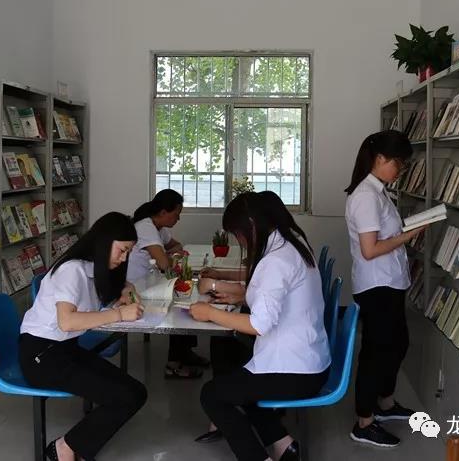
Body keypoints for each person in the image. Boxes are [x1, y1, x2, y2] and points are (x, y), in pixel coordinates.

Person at [191, 193, 330, 461]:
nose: (240, 241)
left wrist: (209, 312)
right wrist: (241, 298)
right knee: (237, 376)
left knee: (212, 395)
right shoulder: (292, 244)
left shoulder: (276, 260)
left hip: (295, 371)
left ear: (252, 225)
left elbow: (258, 324)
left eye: (238, 234)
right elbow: (278, 298)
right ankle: (283, 446)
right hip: (309, 361)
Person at [18, 212, 148, 461]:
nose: (124, 258)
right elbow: (67, 321)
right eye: (122, 250)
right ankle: (64, 449)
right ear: (104, 241)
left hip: (66, 349)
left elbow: (99, 300)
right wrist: (119, 313)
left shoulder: (94, 268)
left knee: (136, 391)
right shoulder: (72, 270)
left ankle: (71, 447)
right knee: (124, 397)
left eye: (128, 252)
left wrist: (125, 290)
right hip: (41, 356)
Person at [344, 130, 426, 448]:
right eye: (398, 163)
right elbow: (370, 250)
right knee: (376, 354)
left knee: (397, 344)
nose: (400, 170)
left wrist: (405, 230)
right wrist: (409, 235)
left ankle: (385, 404)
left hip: (389, 282)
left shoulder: (378, 192)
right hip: (377, 285)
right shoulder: (366, 196)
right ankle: (364, 421)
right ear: (380, 159)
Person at [127, 189, 209, 379]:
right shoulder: (145, 227)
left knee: (186, 298)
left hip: (149, 280)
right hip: (134, 287)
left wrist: (169, 255)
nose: (178, 219)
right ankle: (174, 364)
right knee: (180, 304)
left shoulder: (159, 229)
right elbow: (165, 264)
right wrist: (169, 256)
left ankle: (185, 352)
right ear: (163, 212)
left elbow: (178, 246)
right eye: (176, 214)